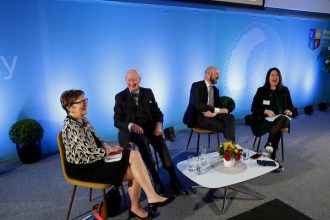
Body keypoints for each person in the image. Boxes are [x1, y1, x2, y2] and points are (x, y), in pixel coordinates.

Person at [60, 89, 173, 219]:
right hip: (86, 168)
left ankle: (138, 206)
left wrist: (105, 145)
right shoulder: (70, 126)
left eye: (85, 100)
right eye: (81, 101)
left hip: (97, 159)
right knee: (135, 161)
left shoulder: (83, 119)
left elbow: (97, 138)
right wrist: (108, 151)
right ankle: (150, 198)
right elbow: (88, 152)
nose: (86, 103)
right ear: (69, 107)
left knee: (136, 167)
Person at [114, 69, 186, 196]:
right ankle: (156, 179)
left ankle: (173, 178)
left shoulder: (148, 92)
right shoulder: (120, 97)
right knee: (143, 142)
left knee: (160, 141)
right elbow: (117, 121)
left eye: (134, 79)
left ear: (139, 80)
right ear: (126, 81)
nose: (132, 82)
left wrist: (159, 125)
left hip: (150, 127)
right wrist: (131, 125)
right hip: (133, 131)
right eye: (129, 80)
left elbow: (158, 112)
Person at [251, 67, 295, 172]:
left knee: (280, 119)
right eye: (272, 75)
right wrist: (265, 111)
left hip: (281, 119)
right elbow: (254, 108)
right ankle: (271, 156)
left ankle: (268, 151)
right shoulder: (261, 90)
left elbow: (291, 106)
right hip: (264, 121)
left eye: (277, 75)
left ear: (279, 77)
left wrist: (289, 111)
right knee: (277, 127)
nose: (275, 77)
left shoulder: (285, 90)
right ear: (268, 77)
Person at [183, 66, 235, 142]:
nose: (218, 76)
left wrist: (223, 109)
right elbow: (198, 104)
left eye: (218, 74)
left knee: (230, 117)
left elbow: (217, 105)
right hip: (198, 116)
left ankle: (230, 147)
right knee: (226, 126)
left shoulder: (216, 90)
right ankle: (230, 148)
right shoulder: (196, 86)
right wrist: (216, 111)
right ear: (207, 74)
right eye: (216, 74)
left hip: (213, 115)